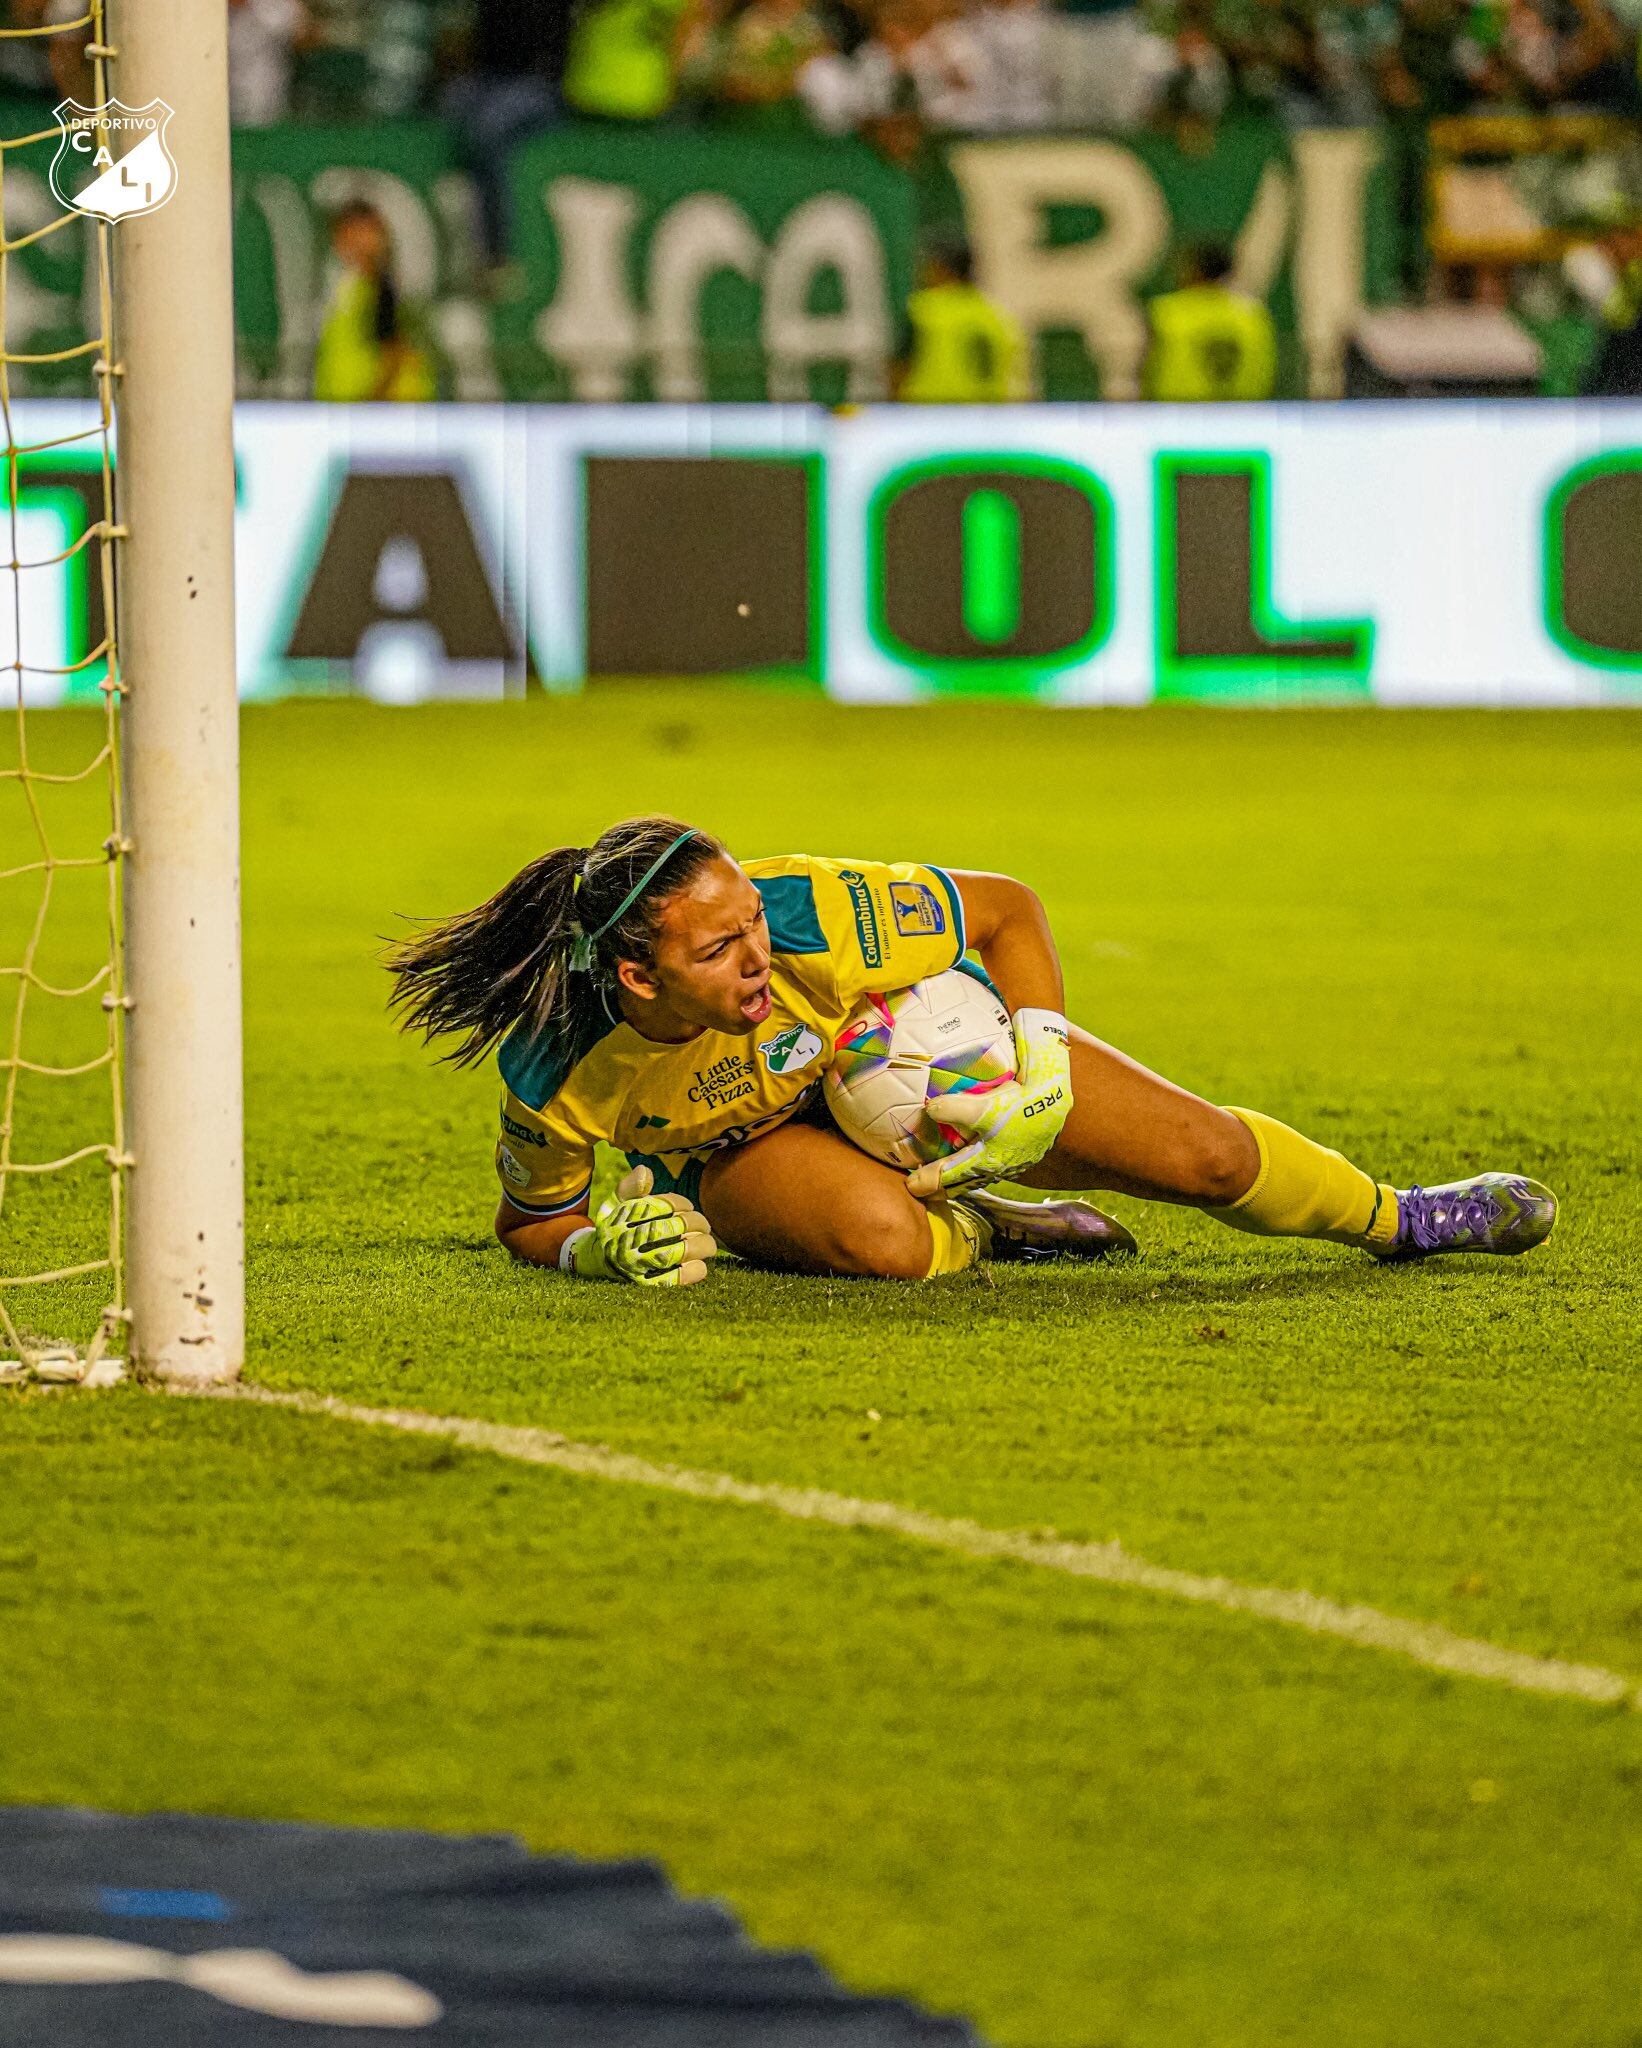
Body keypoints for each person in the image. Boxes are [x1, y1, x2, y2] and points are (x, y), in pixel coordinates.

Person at [386, 818, 1557, 1289]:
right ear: (641, 979)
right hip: (745, 1156)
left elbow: (1005, 908)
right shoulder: (559, 1066)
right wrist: (594, 1247)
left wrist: (1041, 1058)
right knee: (887, 1244)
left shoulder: (811, 911)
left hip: (902, 1060)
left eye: (752, 920)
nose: (757, 953)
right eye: (719, 947)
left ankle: (1404, 1215)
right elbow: (529, 1219)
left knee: (1204, 1156)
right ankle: (990, 1222)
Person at [313, 200, 438, 403]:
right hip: (344, 409)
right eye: (349, 234)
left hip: (385, 410)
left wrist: (373, 403)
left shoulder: (385, 290)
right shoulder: (345, 289)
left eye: (364, 233)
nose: (358, 242)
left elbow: (396, 351)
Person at [1143, 239, 1279, 400]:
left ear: (1196, 271)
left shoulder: (1165, 312)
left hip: (1177, 410)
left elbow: (1143, 366)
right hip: (1244, 411)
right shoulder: (1255, 316)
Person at [899, 238, 1029, 402]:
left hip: (932, 411)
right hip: (990, 412)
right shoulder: (998, 317)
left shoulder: (924, 310)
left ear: (940, 268)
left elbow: (899, 369)